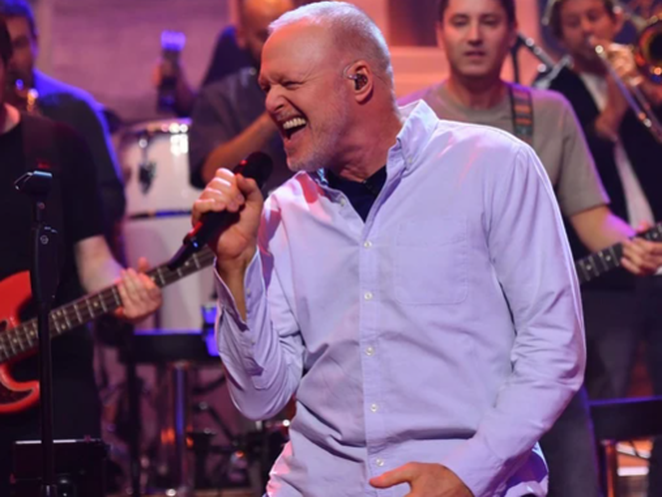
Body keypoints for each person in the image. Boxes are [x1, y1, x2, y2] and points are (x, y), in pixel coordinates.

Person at [192, 2, 586, 495]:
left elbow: (553, 349)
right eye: (265, 87)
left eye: (289, 84)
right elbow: (260, 399)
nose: (271, 103)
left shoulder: (494, 166)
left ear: (359, 81)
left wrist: (469, 473)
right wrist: (235, 267)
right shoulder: (282, 213)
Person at [400, 0, 662, 494]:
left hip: (538, 347)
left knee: (575, 482)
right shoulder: (409, 118)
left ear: (510, 34)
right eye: (460, 22)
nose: (474, 35)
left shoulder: (550, 111)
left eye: (489, 21)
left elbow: (591, 218)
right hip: (445, 355)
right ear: (440, 32)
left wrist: (630, 246)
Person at [0, 18, 162, 495]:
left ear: (6, 65)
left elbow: (94, 261)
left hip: (57, 381)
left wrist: (124, 292)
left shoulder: (57, 145)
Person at [538, 0, 662, 494]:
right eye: (573, 22)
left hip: (656, 253)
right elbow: (574, 180)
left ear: (615, 19)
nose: (587, 29)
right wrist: (612, 109)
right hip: (603, 272)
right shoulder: (551, 93)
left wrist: (649, 93)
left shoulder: (644, 80)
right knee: (603, 399)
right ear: (559, 34)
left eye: (594, 16)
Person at [0, 0, 126, 250]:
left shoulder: (73, 110)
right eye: (7, 48)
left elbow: (111, 198)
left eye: (20, 45)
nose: (13, 60)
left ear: (36, 42)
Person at [188, 0, 296, 194]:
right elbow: (210, 173)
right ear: (241, 36)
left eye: (284, 33)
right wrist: (273, 115)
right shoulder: (217, 98)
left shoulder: (318, 84)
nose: (275, 45)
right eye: (264, 36)